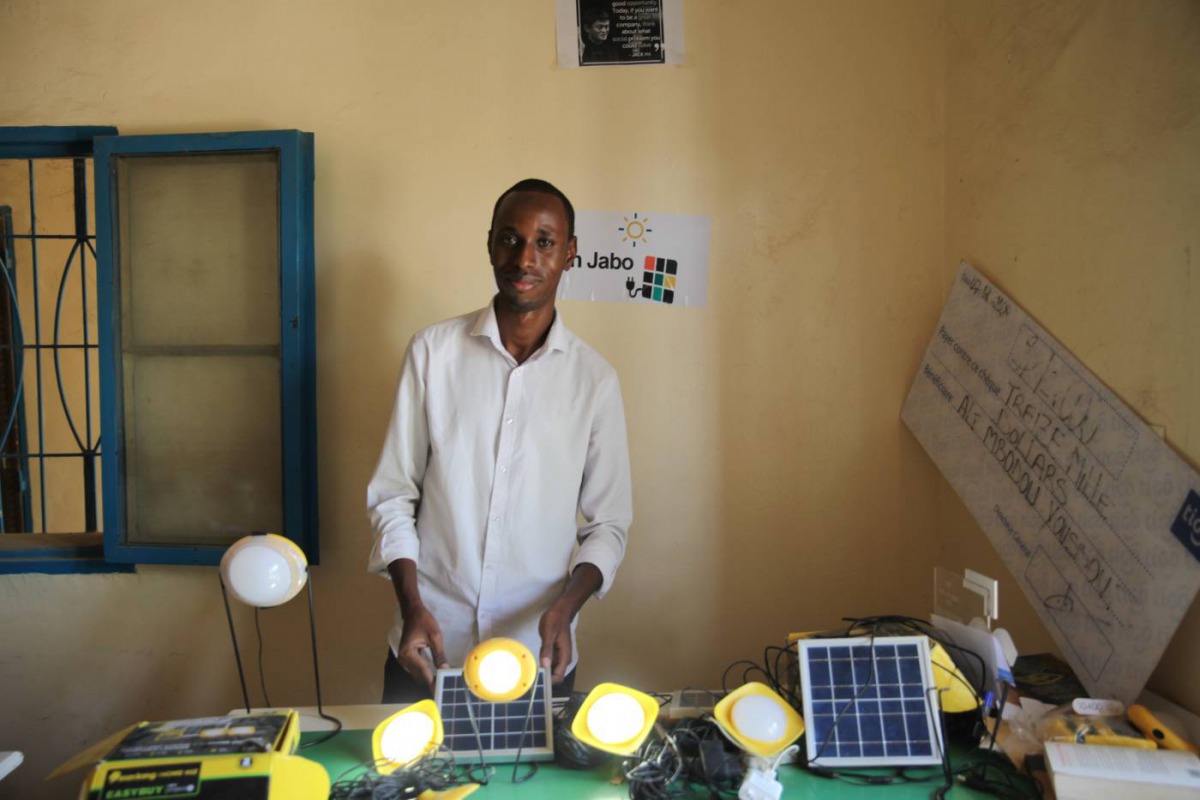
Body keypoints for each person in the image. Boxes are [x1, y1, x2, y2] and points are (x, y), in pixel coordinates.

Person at [367, 179, 633, 702]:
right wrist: (412, 606)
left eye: (545, 241)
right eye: (511, 239)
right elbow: (393, 496)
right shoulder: (432, 354)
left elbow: (609, 525)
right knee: (409, 783)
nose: (525, 258)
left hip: (535, 658)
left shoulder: (594, 381)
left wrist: (566, 608)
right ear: (490, 244)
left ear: (570, 253)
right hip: (427, 651)